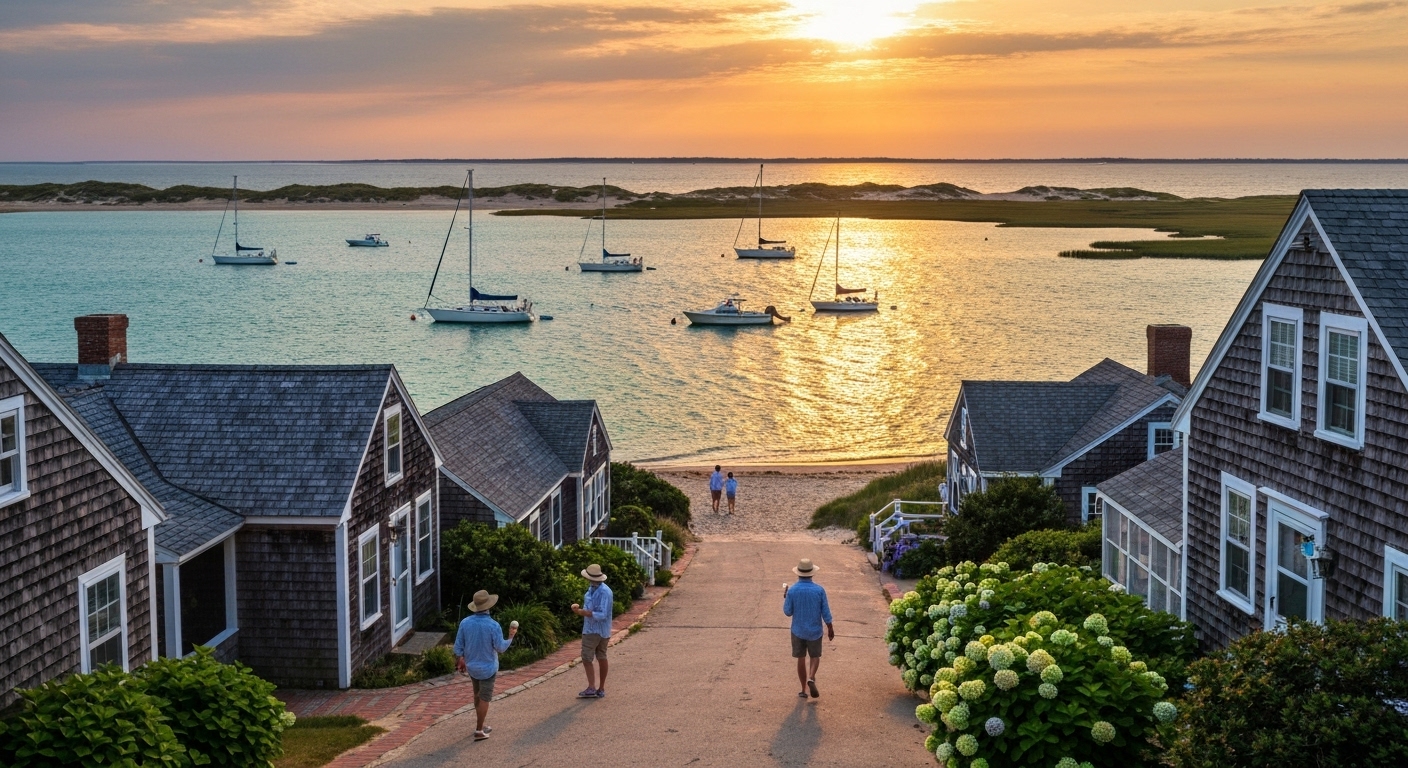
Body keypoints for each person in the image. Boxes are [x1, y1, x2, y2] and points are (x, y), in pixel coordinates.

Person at [453, 590, 518, 741]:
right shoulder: (493, 625)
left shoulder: (465, 623)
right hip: (488, 668)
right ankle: (479, 729)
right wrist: (511, 636)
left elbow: (458, 647)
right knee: (485, 698)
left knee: (477, 694)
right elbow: (500, 648)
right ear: (489, 606)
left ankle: (480, 724)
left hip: (472, 667)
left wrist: (460, 659)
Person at [782, 558, 833, 699]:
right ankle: (811, 677)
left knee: (801, 658)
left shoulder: (792, 590)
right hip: (815, 631)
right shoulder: (819, 590)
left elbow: (788, 612)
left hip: (798, 630)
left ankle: (803, 689)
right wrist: (830, 627)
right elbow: (826, 612)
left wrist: (786, 597)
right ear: (812, 573)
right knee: (815, 656)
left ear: (798, 573)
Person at [571, 563, 615, 698]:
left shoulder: (604, 592)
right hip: (602, 630)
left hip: (593, 630)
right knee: (601, 656)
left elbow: (602, 614)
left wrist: (582, 613)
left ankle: (593, 687)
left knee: (587, 657)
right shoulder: (592, 589)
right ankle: (600, 688)